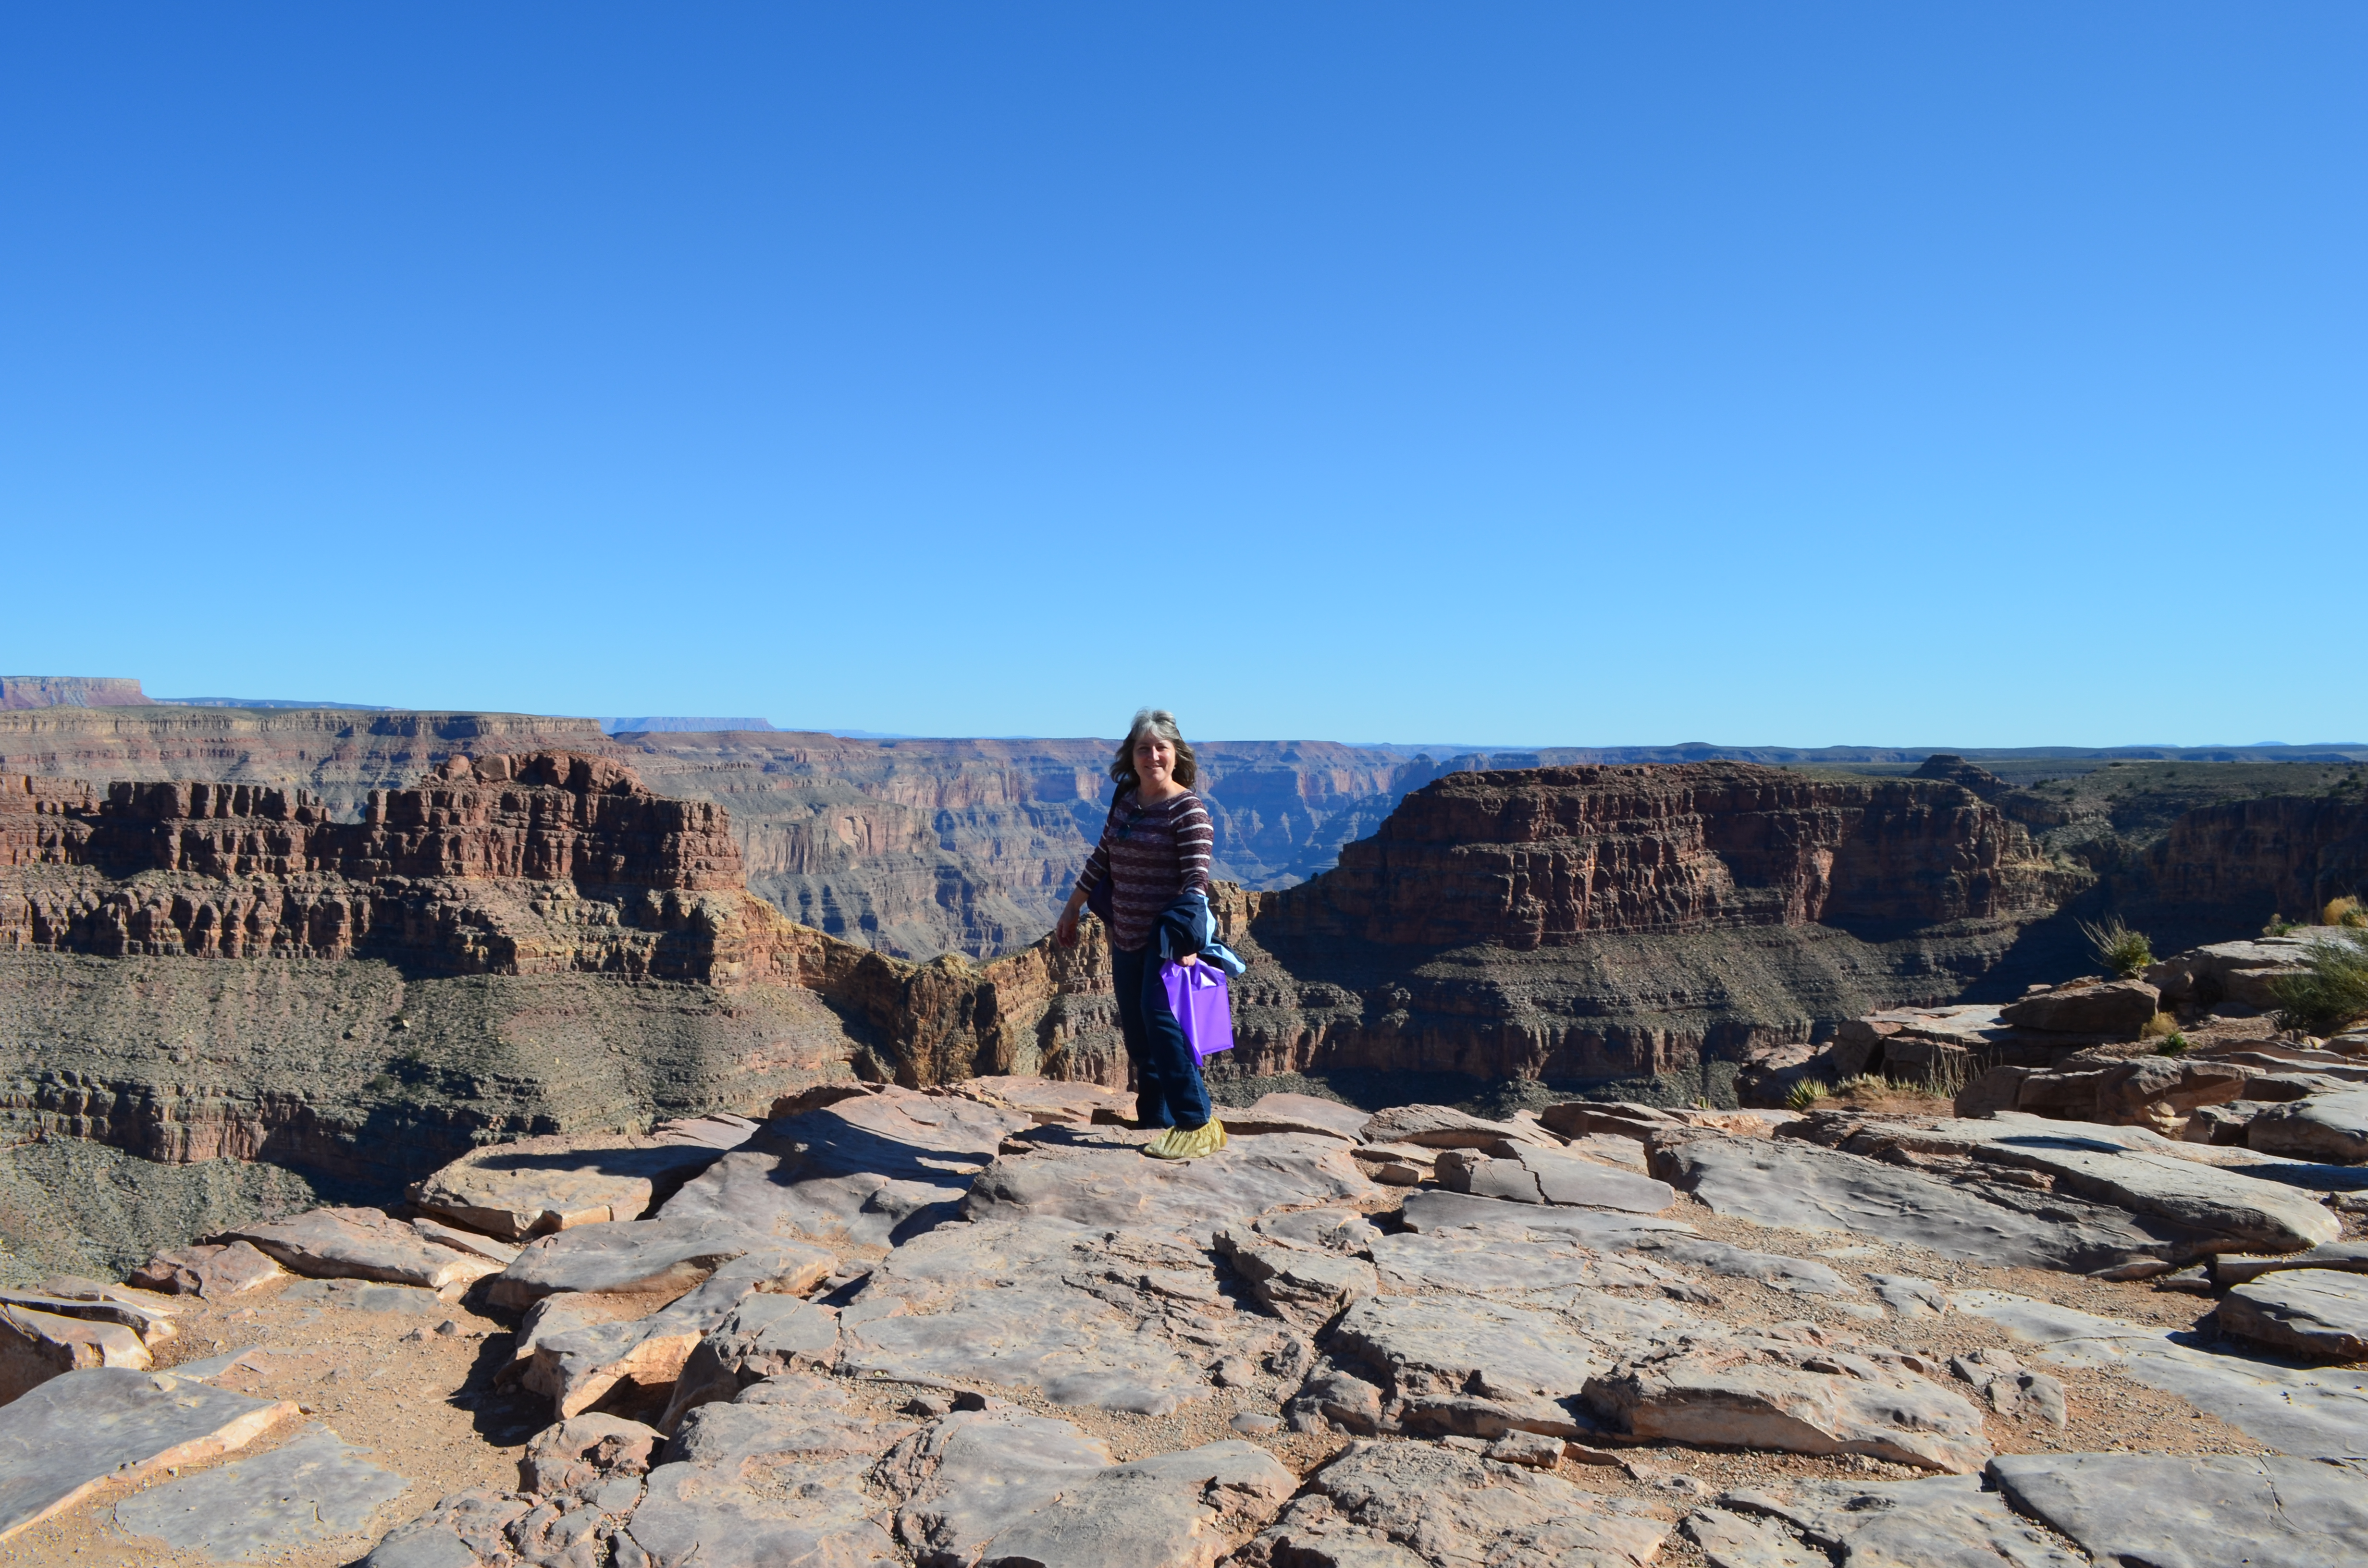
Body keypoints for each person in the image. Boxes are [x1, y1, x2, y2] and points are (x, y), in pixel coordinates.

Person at [1055, 708, 1228, 1159]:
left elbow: (1196, 881)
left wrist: (1187, 941)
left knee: (1162, 1021)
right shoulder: (1127, 801)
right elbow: (1103, 857)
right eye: (1143, 748)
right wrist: (1072, 908)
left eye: (1161, 748)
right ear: (1130, 757)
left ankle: (1197, 1124)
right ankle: (1156, 1120)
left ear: (1176, 756)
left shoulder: (1190, 812)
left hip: (1165, 941)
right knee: (1138, 1037)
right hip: (1123, 932)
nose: (1152, 756)